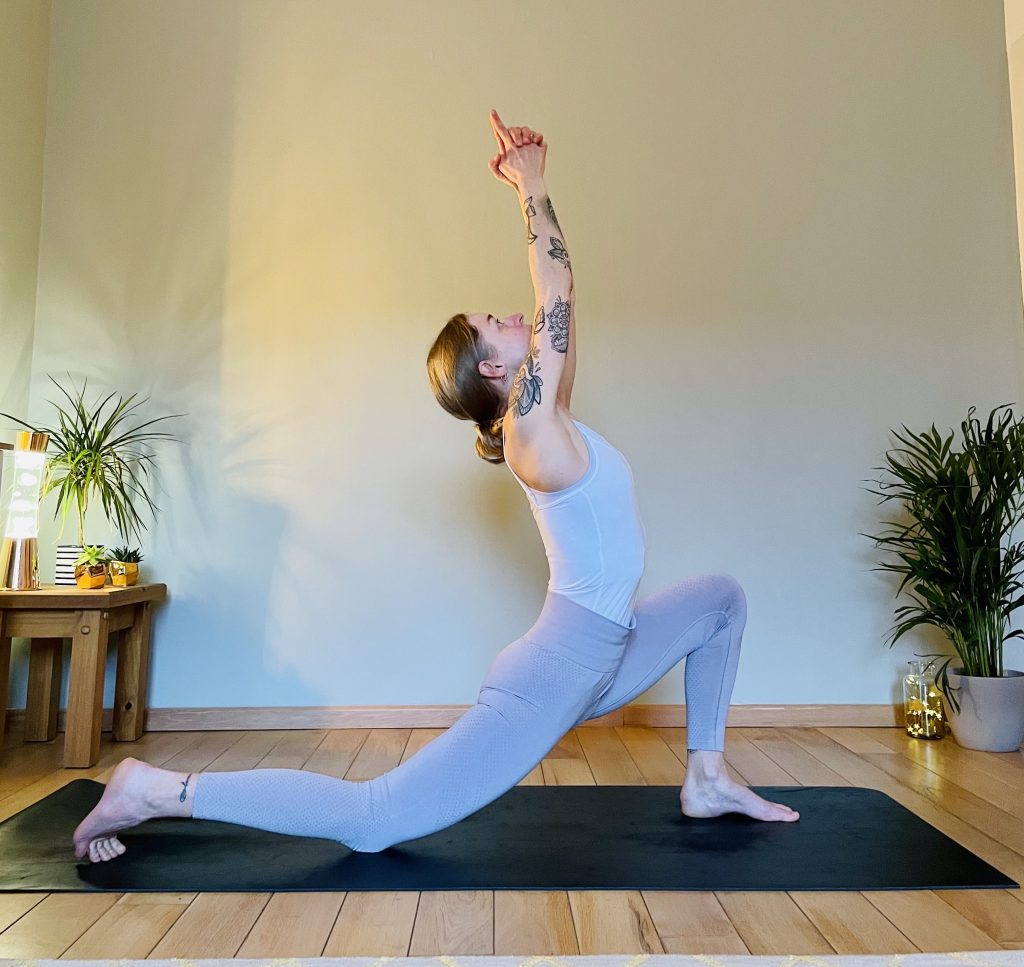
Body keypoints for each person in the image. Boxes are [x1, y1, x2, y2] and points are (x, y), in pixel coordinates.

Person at [72, 110, 798, 865]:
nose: (514, 315)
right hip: (555, 672)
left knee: (720, 599)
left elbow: (562, 302)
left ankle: (707, 778)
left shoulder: (555, 414)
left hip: (612, 649)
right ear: (492, 369)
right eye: (496, 322)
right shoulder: (531, 434)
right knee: (375, 816)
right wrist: (531, 183)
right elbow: (557, 284)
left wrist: (538, 196)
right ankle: (159, 789)